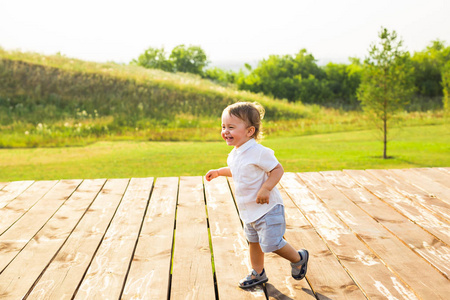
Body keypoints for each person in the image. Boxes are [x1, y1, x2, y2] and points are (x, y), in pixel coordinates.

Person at [205, 102, 309, 288]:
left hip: (268, 209)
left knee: (272, 244)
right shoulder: (236, 153)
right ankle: (258, 273)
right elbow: (238, 171)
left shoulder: (259, 152)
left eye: (231, 127)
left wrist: (266, 188)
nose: (225, 131)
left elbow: (277, 169)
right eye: (223, 127)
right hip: (249, 211)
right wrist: (220, 172)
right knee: (254, 243)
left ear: (250, 131)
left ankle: (299, 258)